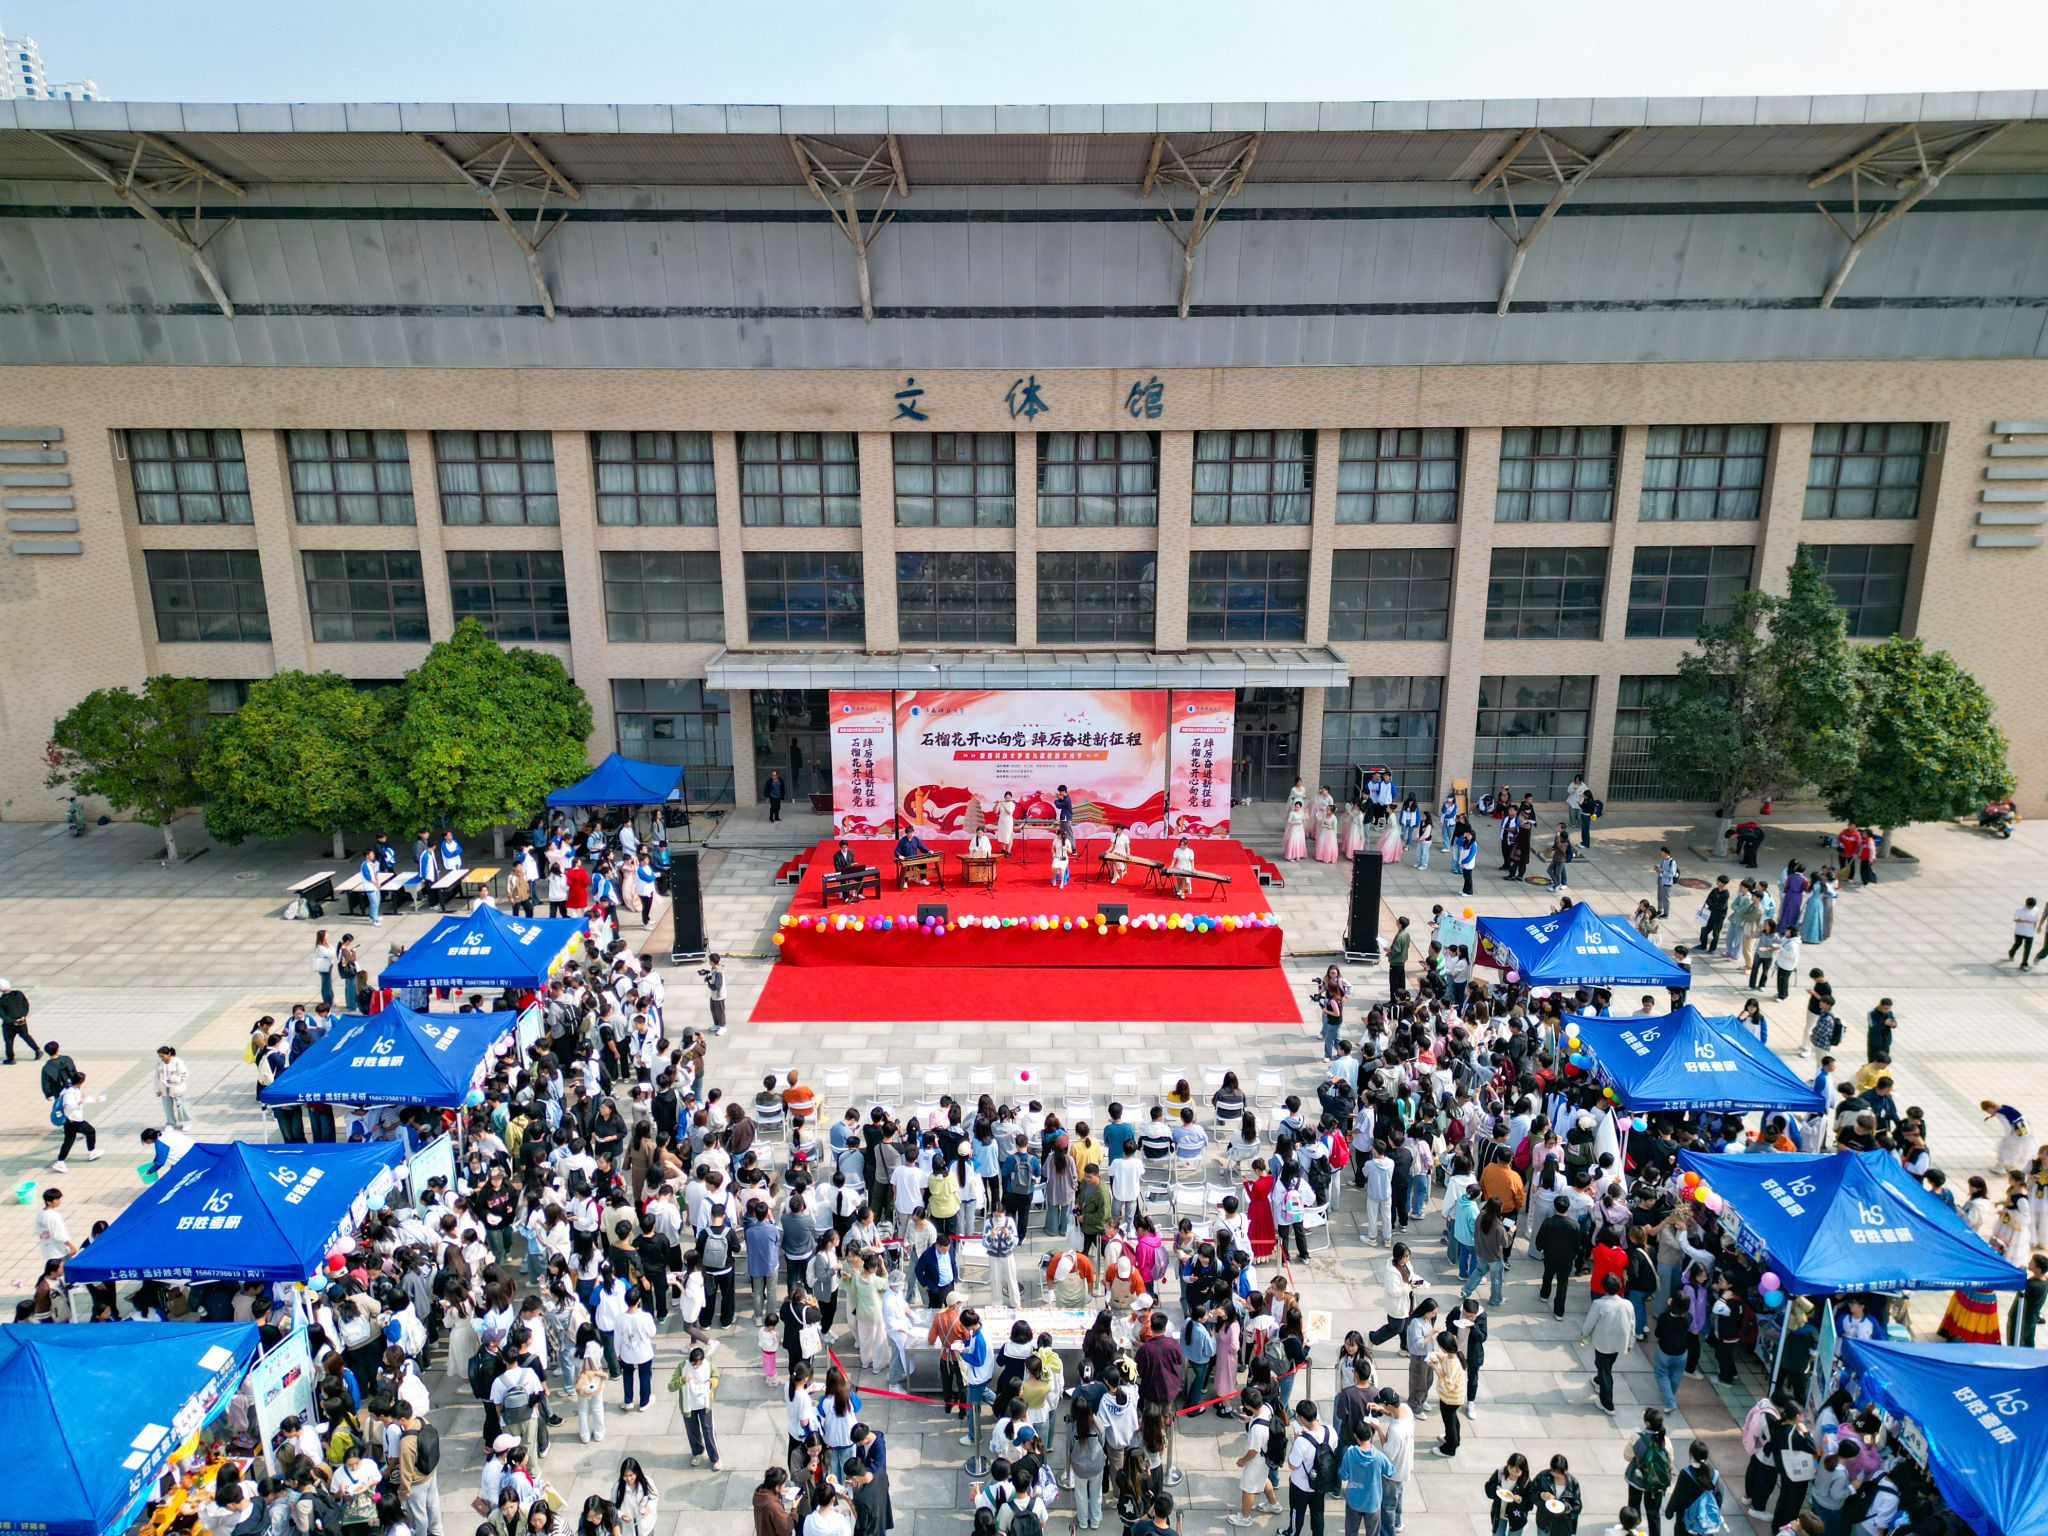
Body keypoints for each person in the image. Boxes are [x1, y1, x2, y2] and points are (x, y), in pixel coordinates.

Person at [1286, 1400, 1337, 1536]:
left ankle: (1293, 1533)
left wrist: (1296, 1440)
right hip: (1321, 1483)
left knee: (1297, 1513)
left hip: (1301, 1486)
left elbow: (1292, 1465)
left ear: (1302, 1418)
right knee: (1318, 1514)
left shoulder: (1301, 1441)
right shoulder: (1330, 1431)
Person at [1582, 1274, 1632, 1415]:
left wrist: (1585, 1335)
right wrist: (1630, 1342)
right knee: (1606, 1364)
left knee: (1605, 1370)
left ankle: (1607, 1404)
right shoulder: (1627, 1304)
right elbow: (1632, 1324)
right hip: (1619, 1342)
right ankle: (1598, 1380)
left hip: (1604, 1342)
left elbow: (1590, 1322)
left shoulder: (1599, 1304)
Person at [1626, 1411, 1673, 1536]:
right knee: (1653, 1513)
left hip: (1637, 1479)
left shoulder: (1637, 1437)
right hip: (1656, 1482)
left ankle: (1633, 1526)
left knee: (1633, 1505)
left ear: (1647, 1423)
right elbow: (1670, 1460)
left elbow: (1627, 1456)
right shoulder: (1666, 1441)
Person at [51, 1069, 99, 1169]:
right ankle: (92, 1152)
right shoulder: (69, 1093)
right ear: (79, 1082)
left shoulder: (72, 1089)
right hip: (75, 1120)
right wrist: (80, 1102)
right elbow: (68, 1106)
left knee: (69, 1141)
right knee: (90, 1131)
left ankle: (60, 1161)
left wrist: (85, 1100)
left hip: (70, 1121)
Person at [1429, 1331, 1466, 1458]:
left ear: (1444, 1347)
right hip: (1456, 1397)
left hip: (1450, 1399)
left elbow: (1447, 1385)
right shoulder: (1455, 1356)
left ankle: (1450, 1449)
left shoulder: (1452, 1364)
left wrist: (1435, 1368)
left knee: (1449, 1423)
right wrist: (1440, 1358)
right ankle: (1455, 1440)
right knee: (1453, 1419)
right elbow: (1447, 1359)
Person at [0, 979, 35, 1065]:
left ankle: (11, 1058)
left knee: (9, 1042)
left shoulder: (2, 1000)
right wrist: (23, 1016)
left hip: (9, 1025)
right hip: (22, 1022)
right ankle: (37, 1050)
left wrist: (13, 1020)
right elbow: (26, 1005)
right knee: (26, 1036)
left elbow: (3, 1015)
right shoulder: (19, 994)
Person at [2011, 898, 2040, 971]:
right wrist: (2024, 921)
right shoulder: (2019, 910)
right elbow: (2015, 919)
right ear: (2026, 904)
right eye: (2029, 906)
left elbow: (2036, 921)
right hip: (2019, 931)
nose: (2030, 908)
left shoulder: (2036, 910)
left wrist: (2035, 929)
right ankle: (2011, 952)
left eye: (2032, 907)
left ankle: (2024, 963)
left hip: (2030, 933)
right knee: (2018, 944)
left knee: (2028, 948)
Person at [1652, 849, 1678, 920]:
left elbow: (1672, 874)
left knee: (1665, 899)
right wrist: (1657, 869)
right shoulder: (1663, 860)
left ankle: (1666, 913)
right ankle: (1659, 910)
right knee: (1659, 897)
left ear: (1667, 853)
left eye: (1662, 853)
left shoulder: (1672, 862)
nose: (1661, 854)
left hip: (1667, 883)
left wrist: (1662, 871)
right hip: (1660, 880)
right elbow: (1661, 869)